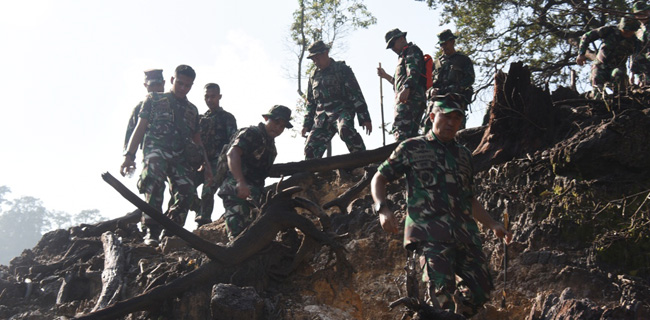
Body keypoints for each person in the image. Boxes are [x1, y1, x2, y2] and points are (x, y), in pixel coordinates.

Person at [370, 97, 512, 317]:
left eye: (457, 118)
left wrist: (493, 224)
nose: (451, 122)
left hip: (465, 235)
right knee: (440, 295)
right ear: (432, 117)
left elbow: (469, 198)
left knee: (480, 291)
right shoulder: (412, 147)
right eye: (446, 116)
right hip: (429, 235)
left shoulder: (464, 155)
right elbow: (380, 177)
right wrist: (382, 209)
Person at [120, 65, 211, 246]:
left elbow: (197, 140)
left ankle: (171, 232)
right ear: (171, 80)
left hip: (180, 158)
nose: (183, 88)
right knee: (153, 179)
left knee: (187, 191)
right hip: (156, 152)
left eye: (188, 85)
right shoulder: (154, 100)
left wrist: (207, 166)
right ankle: (151, 231)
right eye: (180, 83)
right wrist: (128, 155)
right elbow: (140, 127)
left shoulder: (192, 110)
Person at [218, 105, 292, 240]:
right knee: (238, 237)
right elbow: (232, 154)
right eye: (276, 122)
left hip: (254, 196)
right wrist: (240, 182)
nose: (278, 128)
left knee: (256, 237)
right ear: (266, 118)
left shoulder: (271, 148)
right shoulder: (251, 133)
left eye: (282, 126)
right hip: (236, 190)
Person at [302, 40, 372, 159]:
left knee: (345, 129)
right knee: (310, 147)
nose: (316, 62)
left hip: (342, 111)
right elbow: (310, 102)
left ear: (326, 53)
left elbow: (355, 93)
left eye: (317, 58)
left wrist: (364, 117)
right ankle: (312, 175)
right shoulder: (313, 76)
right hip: (322, 117)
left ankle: (363, 161)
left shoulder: (341, 69)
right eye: (313, 59)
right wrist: (306, 124)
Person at [194, 83, 237, 227]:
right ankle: (197, 208)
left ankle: (203, 222)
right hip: (201, 161)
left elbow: (233, 142)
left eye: (213, 96)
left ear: (219, 97)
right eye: (206, 96)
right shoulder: (200, 119)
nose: (209, 99)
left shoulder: (227, 118)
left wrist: (226, 164)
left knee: (208, 189)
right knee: (184, 187)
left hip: (219, 162)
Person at [377, 28, 427, 141]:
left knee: (401, 133)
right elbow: (399, 83)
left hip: (410, 101)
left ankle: (403, 157)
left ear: (401, 39)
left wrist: (407, 87)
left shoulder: (411, 50)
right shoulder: (403, 56)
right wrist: (385, 76)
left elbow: (413, 71)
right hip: (410, 99)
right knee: (410, 136)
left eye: (393, 44)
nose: (392, 49)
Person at [576, 16, 641, 98]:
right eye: (625, 30)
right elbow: (587, 36)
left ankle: (620, 103)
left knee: (620, 85)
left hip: (618, 67)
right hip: (601, 65)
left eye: (630, 31)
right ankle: (594, 102)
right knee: (597, 88)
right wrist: (581, 54)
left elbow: (636, 59)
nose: (627, 33)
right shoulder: (609, 30)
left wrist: (633, 74)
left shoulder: (635, 42)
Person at [425, 29, 474, 132]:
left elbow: (470, 79)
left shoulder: (463, 60)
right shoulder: (436, 63)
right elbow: (429, 85)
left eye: (446, 44)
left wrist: (454, 88)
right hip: (437, 104)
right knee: (429, 132)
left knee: (455, 133)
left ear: (452, 42)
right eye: (441, 45)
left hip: (455, 103)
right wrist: (431, 92)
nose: (444, 47)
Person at [124, 69, 165, 151]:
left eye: (158, 85)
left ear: (164, 83)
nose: (156, 89)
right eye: (152, 86)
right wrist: (129, 156)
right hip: (151, 155)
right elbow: (131, 134)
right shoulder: (140, 108)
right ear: (145, 85)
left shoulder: (173, 104)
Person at [632, 2, 650, 85]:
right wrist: (633, 73)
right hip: (643, 67)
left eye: (645, 12)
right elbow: (635, 52)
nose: (642, 16)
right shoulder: (637, 30)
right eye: (639, 14)